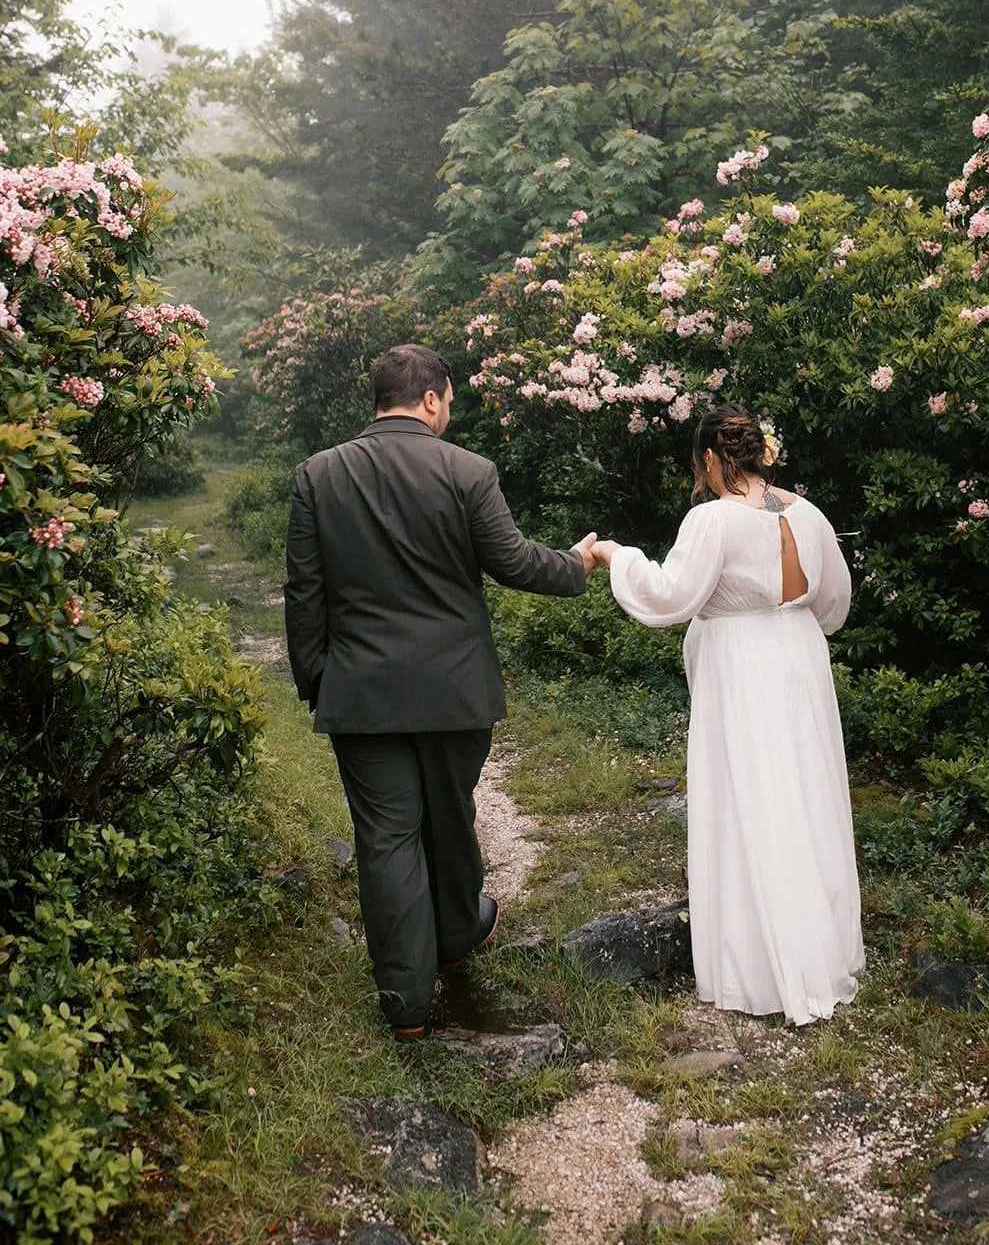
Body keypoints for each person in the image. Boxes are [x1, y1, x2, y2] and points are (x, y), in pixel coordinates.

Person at [284, 342, 597, 1041]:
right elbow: (512, 561)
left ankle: (406, 1005)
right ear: (430, 397)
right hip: (454, 689)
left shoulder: (318, 474)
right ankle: (456, 936)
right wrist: (575, 564)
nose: (448, 413)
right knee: (450, 813)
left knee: (386, 837)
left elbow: (304, 593)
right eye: (448, 402)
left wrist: (317, 681)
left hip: (360, 693)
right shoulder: (467, 471)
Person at [592, 405, 863, 1026]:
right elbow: (834, 602)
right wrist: (788, 632)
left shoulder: (712, 520)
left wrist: (617, 556)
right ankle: (818, 951)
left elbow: (669, 596)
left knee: (751, 797)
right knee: (805, 796)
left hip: (743, 664)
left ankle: (760, 967)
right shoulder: (809, 513)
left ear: (713, 459)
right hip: (800, 654)